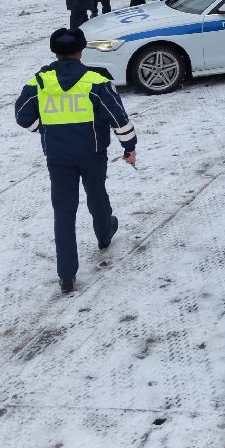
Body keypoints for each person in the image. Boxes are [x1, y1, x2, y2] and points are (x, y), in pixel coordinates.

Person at [13, 26, 138, 294]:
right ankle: (104, 234)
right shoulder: (96, 81)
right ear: (81, 51)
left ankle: (66, 275)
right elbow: (118, 118)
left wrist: (44, 129)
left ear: (54, 52)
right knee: (97, 194)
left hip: (58, 157)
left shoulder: (40, 82)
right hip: (92, 154)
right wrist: (129, 147)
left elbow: (22, 116)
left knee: (64, 212)